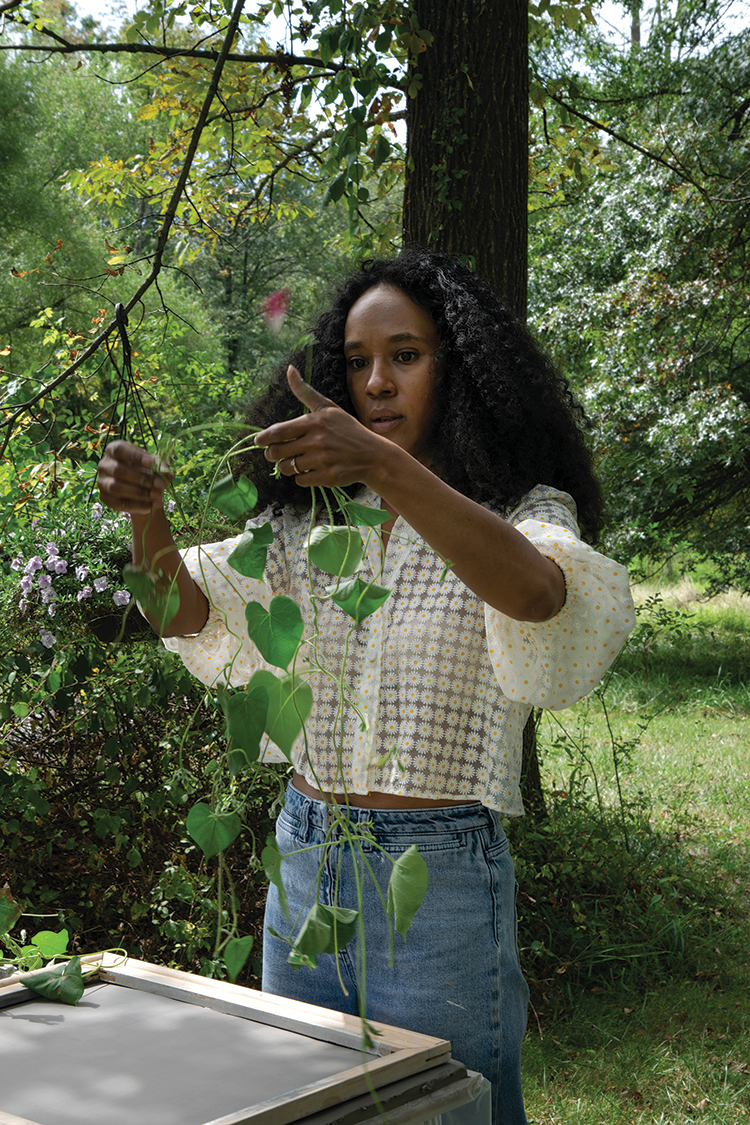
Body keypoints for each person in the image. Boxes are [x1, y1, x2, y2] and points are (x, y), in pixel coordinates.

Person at [97, 248, 635, 1125]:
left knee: (444, 1109)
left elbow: (540, 594)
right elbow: (179, 611)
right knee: (304, 1105)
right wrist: (143, 516)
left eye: (405, 355)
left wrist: (385, 467)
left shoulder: (520, 510)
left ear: (457, 369)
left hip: (441, 878)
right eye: (357, 362)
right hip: (305, 855)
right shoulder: (308, 516)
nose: (377, 381)